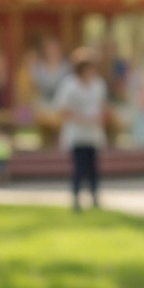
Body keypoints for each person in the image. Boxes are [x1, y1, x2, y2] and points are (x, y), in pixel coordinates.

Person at [55, 48, 108, 211]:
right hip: (76, 133)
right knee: (79, 167)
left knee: (93, 168)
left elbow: (103, 107)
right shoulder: (69, 85)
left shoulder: (98, 85)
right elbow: (62, 109)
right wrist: (83, 119)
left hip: (93, 134)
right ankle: (76, 199)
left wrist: (98, 118)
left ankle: (94, 197)